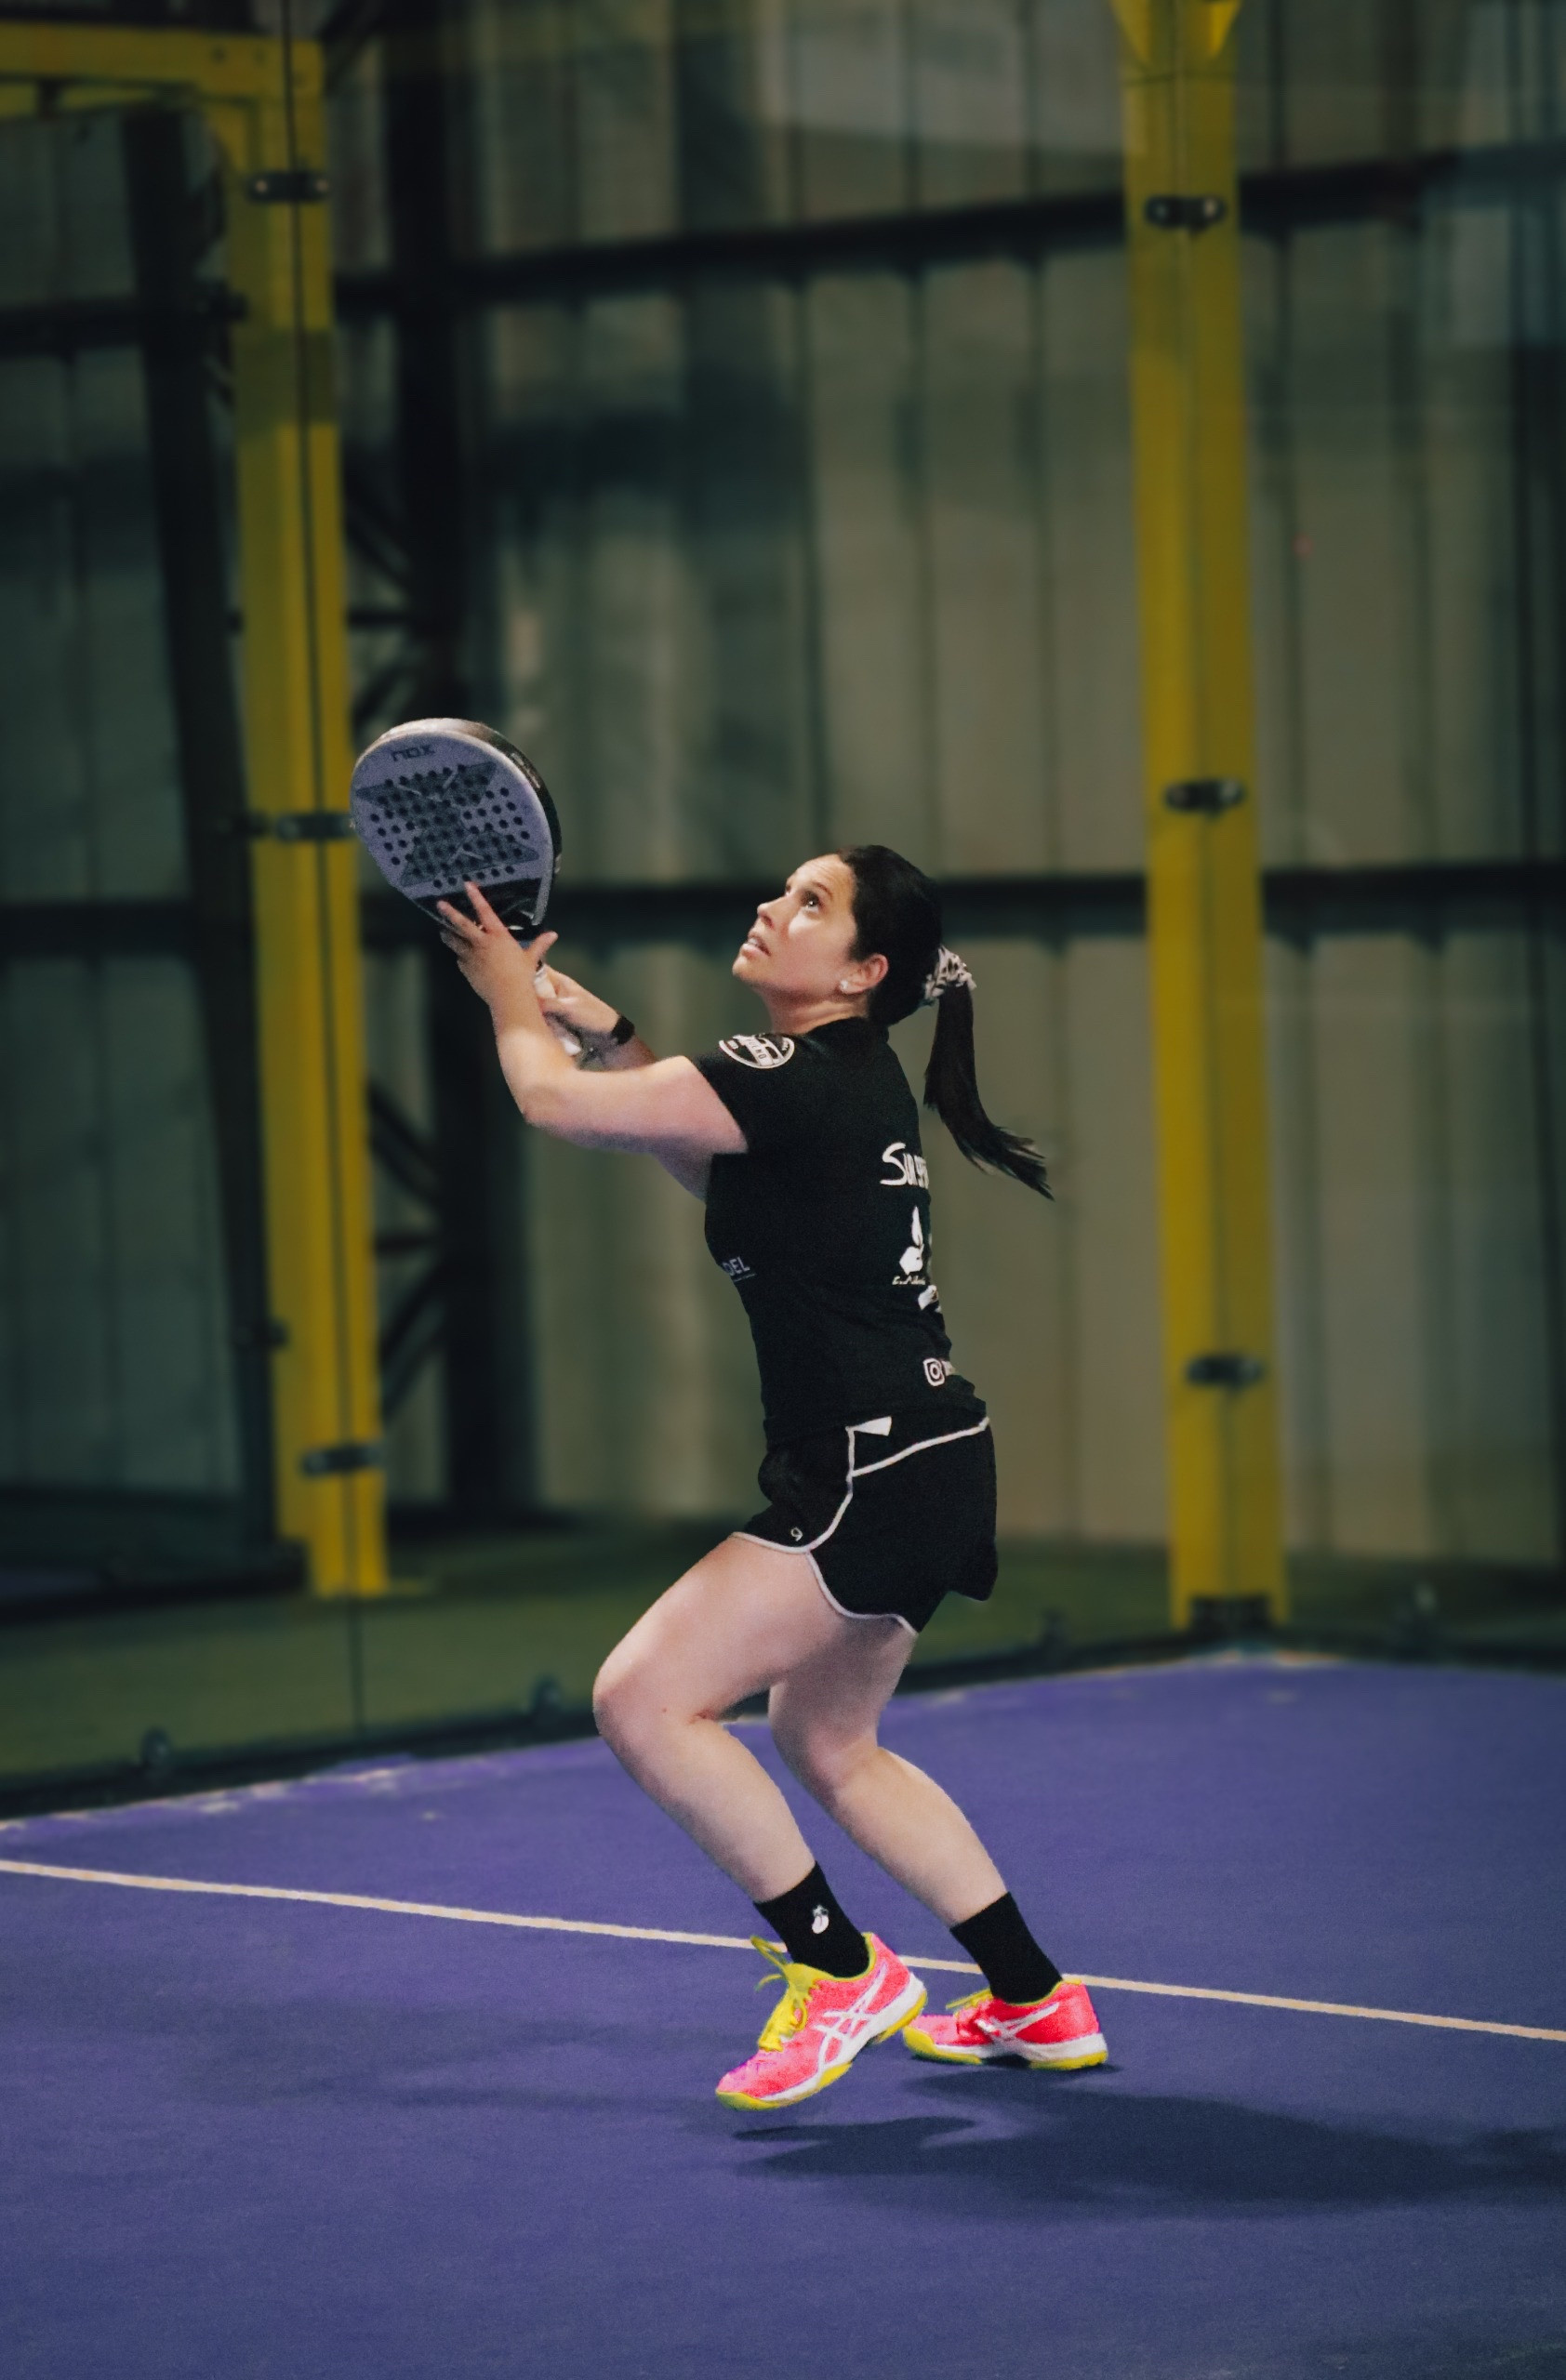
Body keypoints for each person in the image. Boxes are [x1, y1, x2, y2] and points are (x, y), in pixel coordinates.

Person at [437, 844, 1107, 2110]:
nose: (770, 907)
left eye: (811, 904)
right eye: (782, 890)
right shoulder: (842, 1080)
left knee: (643, 1700)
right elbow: (703, 1155)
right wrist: (610, 1031)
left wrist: (506, 995)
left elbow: (551, 1106)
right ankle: (1032, 1995)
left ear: (862, 972)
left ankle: (840, 1970)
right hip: (927, 1458)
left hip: (868, 1465)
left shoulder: (793, 1074)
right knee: (827, 1738)